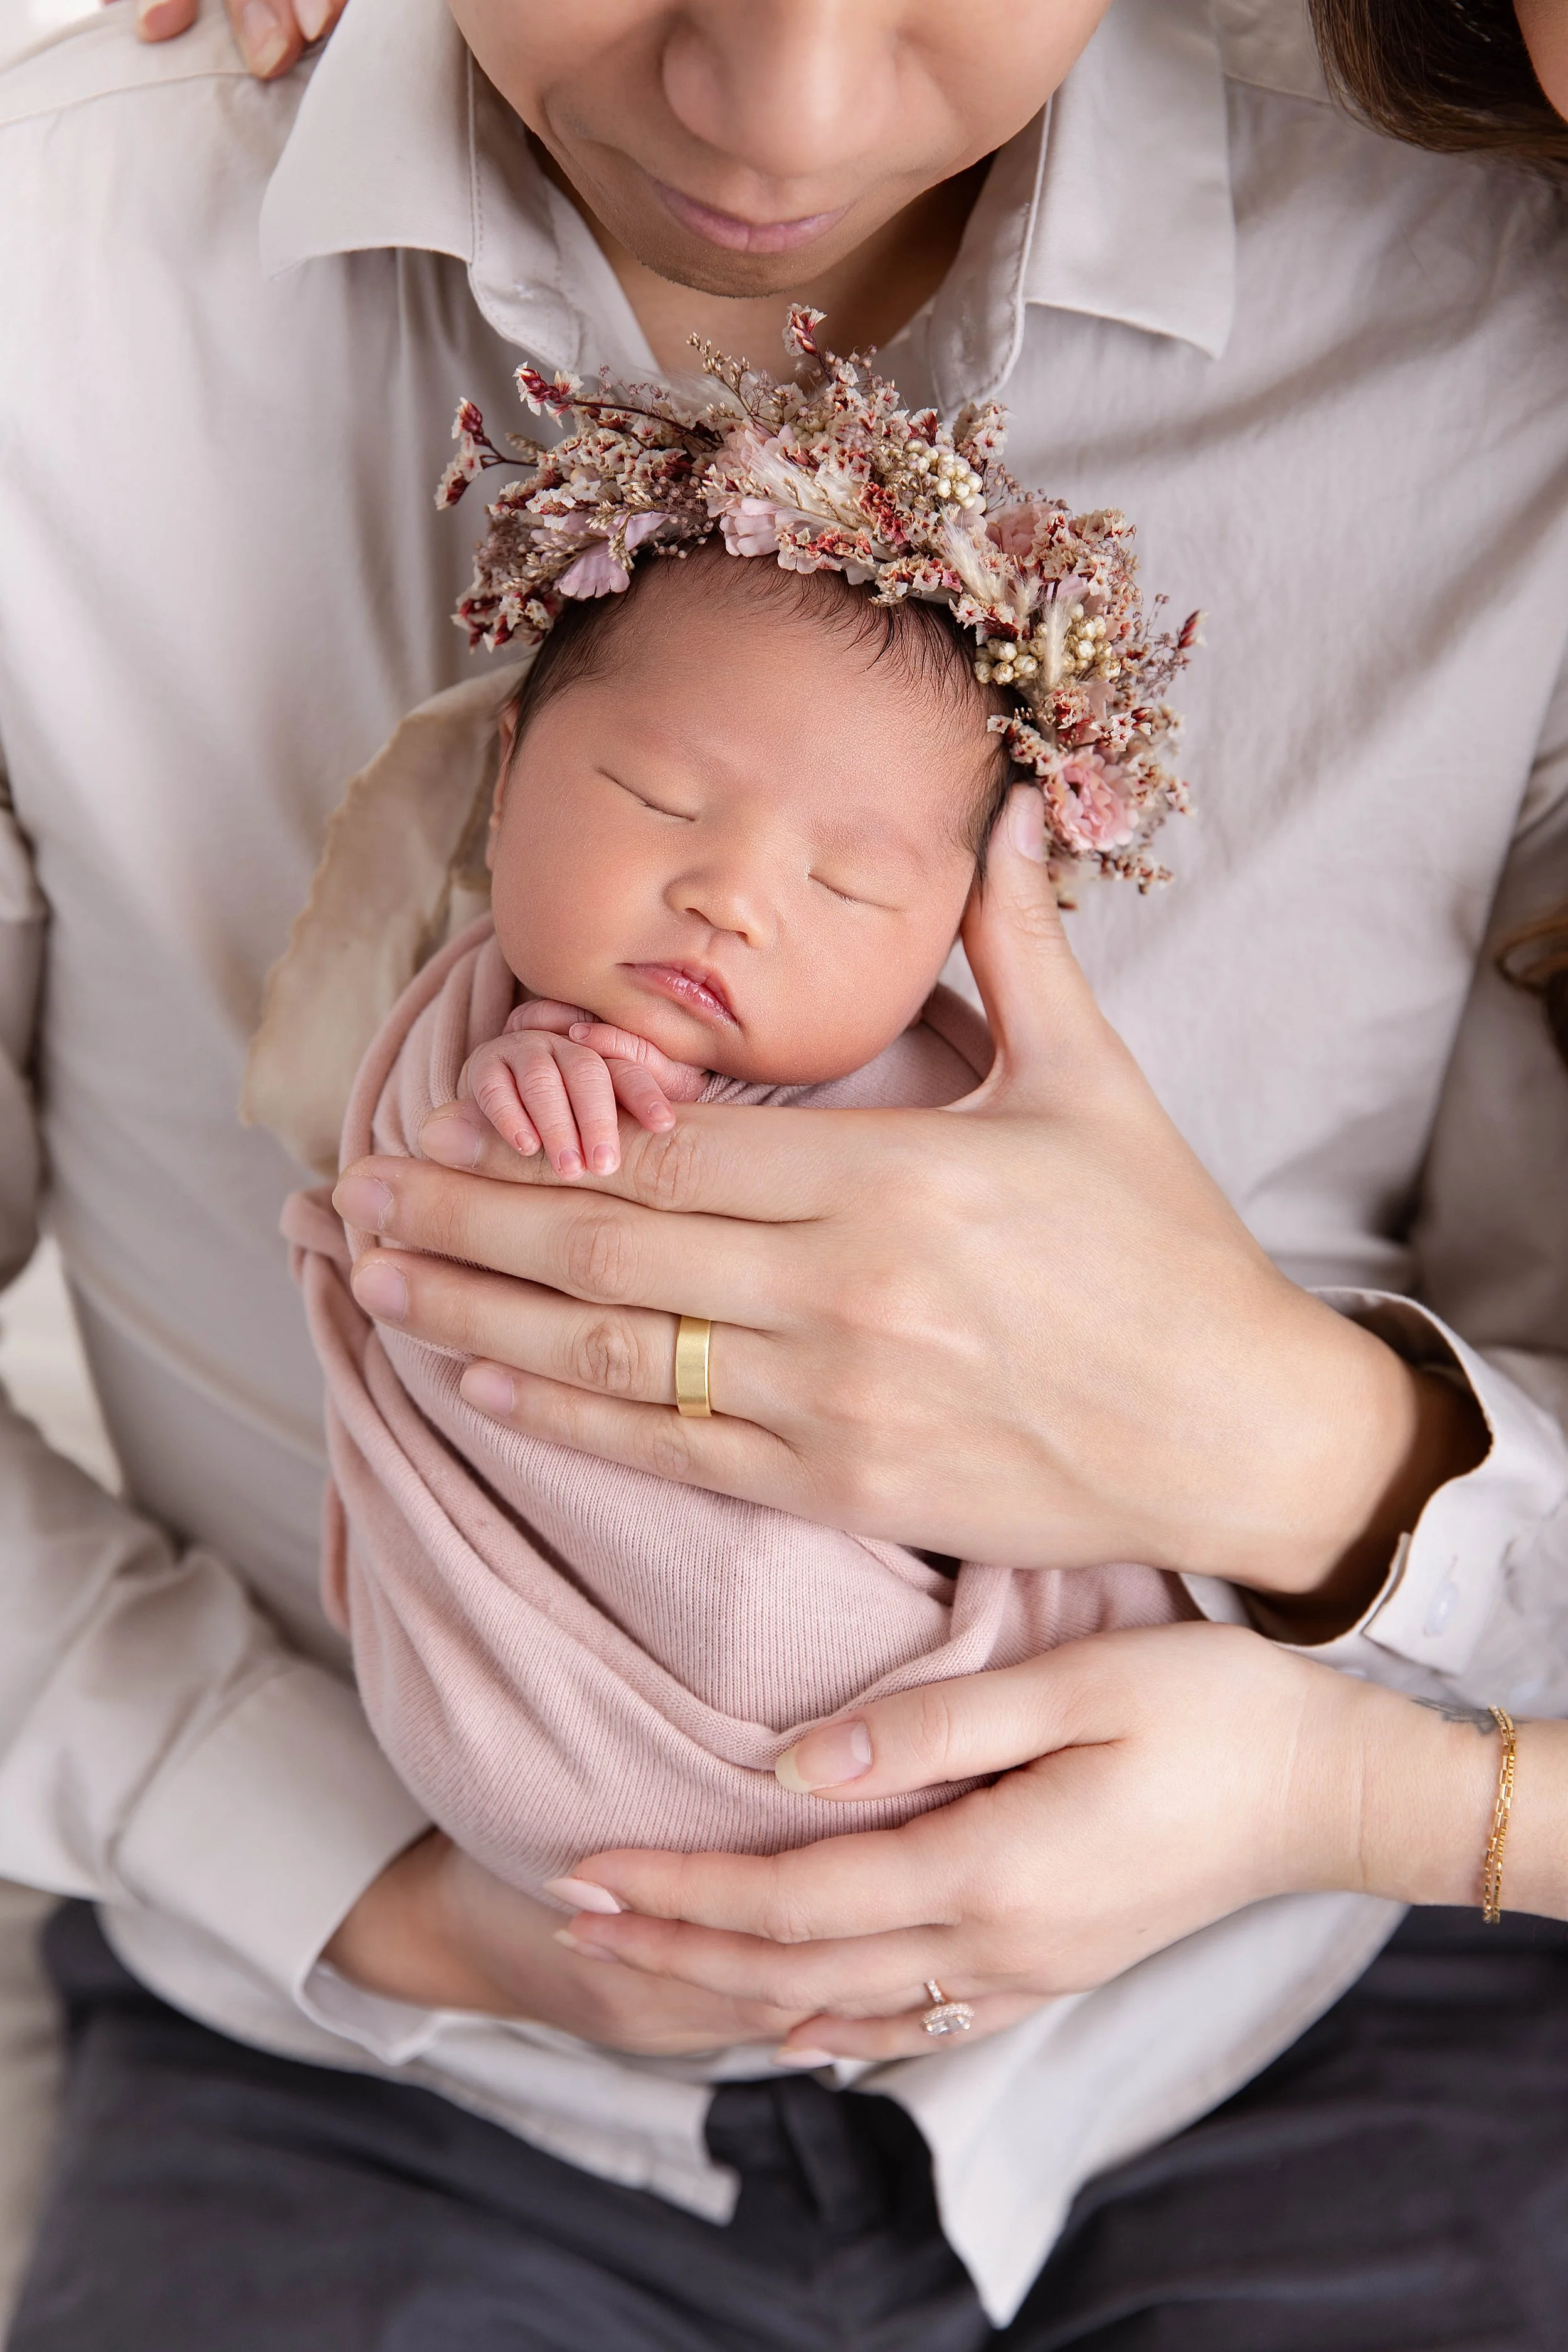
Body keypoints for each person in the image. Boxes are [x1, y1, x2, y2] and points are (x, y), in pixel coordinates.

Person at [3, 0, 1568, 2345]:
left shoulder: (1501, 309)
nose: (786, 109)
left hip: (1301, 1991)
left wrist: (1321, 1488)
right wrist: (342, 1873)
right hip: (389, 2045)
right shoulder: (54, 282)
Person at [285, 340, 1190, 1905]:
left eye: (845, 882)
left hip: (934, 1736)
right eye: (657, 799)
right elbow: (427, 1233)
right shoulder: (463, 1039)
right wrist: (518, 1102)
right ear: (505, 782)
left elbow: (1069, 1358)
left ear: (964, 933)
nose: (730, 898)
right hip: (536, 1747)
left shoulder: (960, 1106)